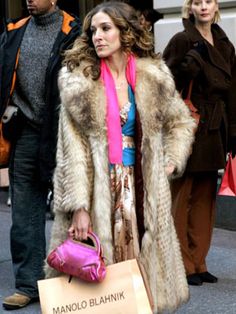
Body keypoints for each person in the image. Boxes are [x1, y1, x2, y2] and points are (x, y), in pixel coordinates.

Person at [45, 2, 195, 313]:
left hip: (142, 187)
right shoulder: (79, 81)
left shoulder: (152, 76)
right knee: (100, 286)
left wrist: (171, 160)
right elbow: (70, 151)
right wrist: (78, 208)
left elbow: (181, 121)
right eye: (93, 31)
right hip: (97, 187)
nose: (97, 36)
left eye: (105, 28)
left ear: (125, 33)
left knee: (141, 279)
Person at [0, 0, 81, 310]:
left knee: (74, 207)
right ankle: (28, 283)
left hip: (64, 132)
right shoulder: (14, 32)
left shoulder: (74, 32)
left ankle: (77, 279)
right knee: (24, 212)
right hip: (25, 133)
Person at [163, 0, 236, 286]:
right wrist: (188, 65)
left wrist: (233, 130)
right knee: (182, 198)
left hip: (214, 127)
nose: (203, 6)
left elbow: (233, 91)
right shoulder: (182, 39)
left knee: (205, 198)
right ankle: (182, 263)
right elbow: (163, 83)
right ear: (190, 8)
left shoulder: (224, 42)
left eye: (208, 1)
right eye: (197, 2)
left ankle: (199, 261)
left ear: (216, 5)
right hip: (188, 125)